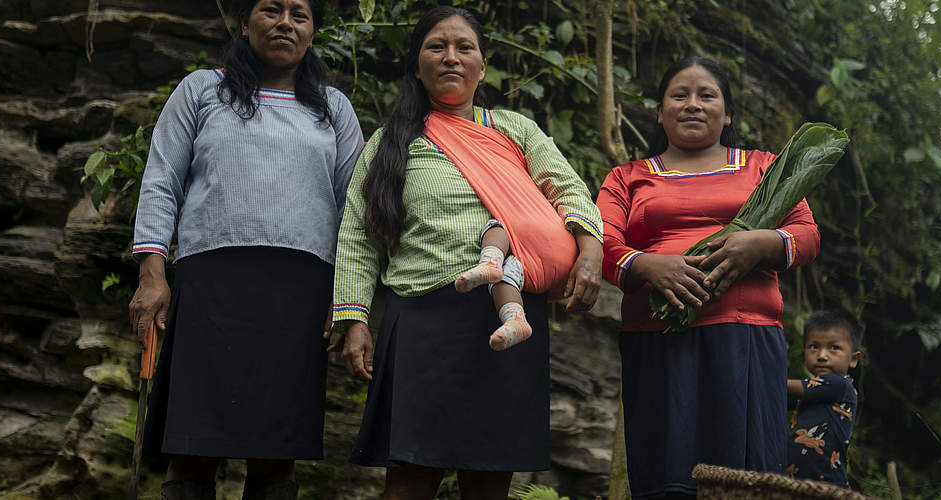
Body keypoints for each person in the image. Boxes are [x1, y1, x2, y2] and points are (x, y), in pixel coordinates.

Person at [328, 6, 604, 498]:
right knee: (409, 480)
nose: (450, 57)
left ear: (482, 63)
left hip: (507, 317)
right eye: (436, 47)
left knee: (489, 480)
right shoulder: (389, 142)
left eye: (464, 48)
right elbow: (357, 234)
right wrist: (354, 319)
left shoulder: (514, 130)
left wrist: (590, 251)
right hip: (421, 322)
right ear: (416, 65)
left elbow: (568, 188)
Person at [127, 0, 364, 497]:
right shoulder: (201, 91)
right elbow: (161, 182)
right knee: (193, 449)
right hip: (210, 285)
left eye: (299, 14)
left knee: (275, 456)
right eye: (271, 10)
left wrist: (348, 302)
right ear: (244, 22)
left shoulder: (332, 107)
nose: (285, 23)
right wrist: (153, 275)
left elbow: (355, 212)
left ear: (313, 31)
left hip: (299, 294)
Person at [596, 56, 820, 499]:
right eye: (679, 95)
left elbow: (807, 235)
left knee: (745, 477)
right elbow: (601, 240)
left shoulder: (763, 168)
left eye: (707, 95)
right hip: (658, 339)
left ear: (728, 112)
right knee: (667, 475)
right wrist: (645, 264)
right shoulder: (628, 177)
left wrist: (760, 243)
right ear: (660, 112)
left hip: (747, 338)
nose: (692, 105)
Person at [785, 309, 863, 487]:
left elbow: (780, 388)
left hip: (827, 484)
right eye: (814, 346)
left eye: (834, 348)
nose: (821, 356)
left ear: (853, 359)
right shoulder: (811, 393)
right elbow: (774, 400)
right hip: (795, 482)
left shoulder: (840, 385)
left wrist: (761, 379)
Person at [454, 219, 533, 350]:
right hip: (538, 261)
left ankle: (490, 262)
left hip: (527, 231)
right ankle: (516, 319)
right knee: (506, 278)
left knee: (494, 226)